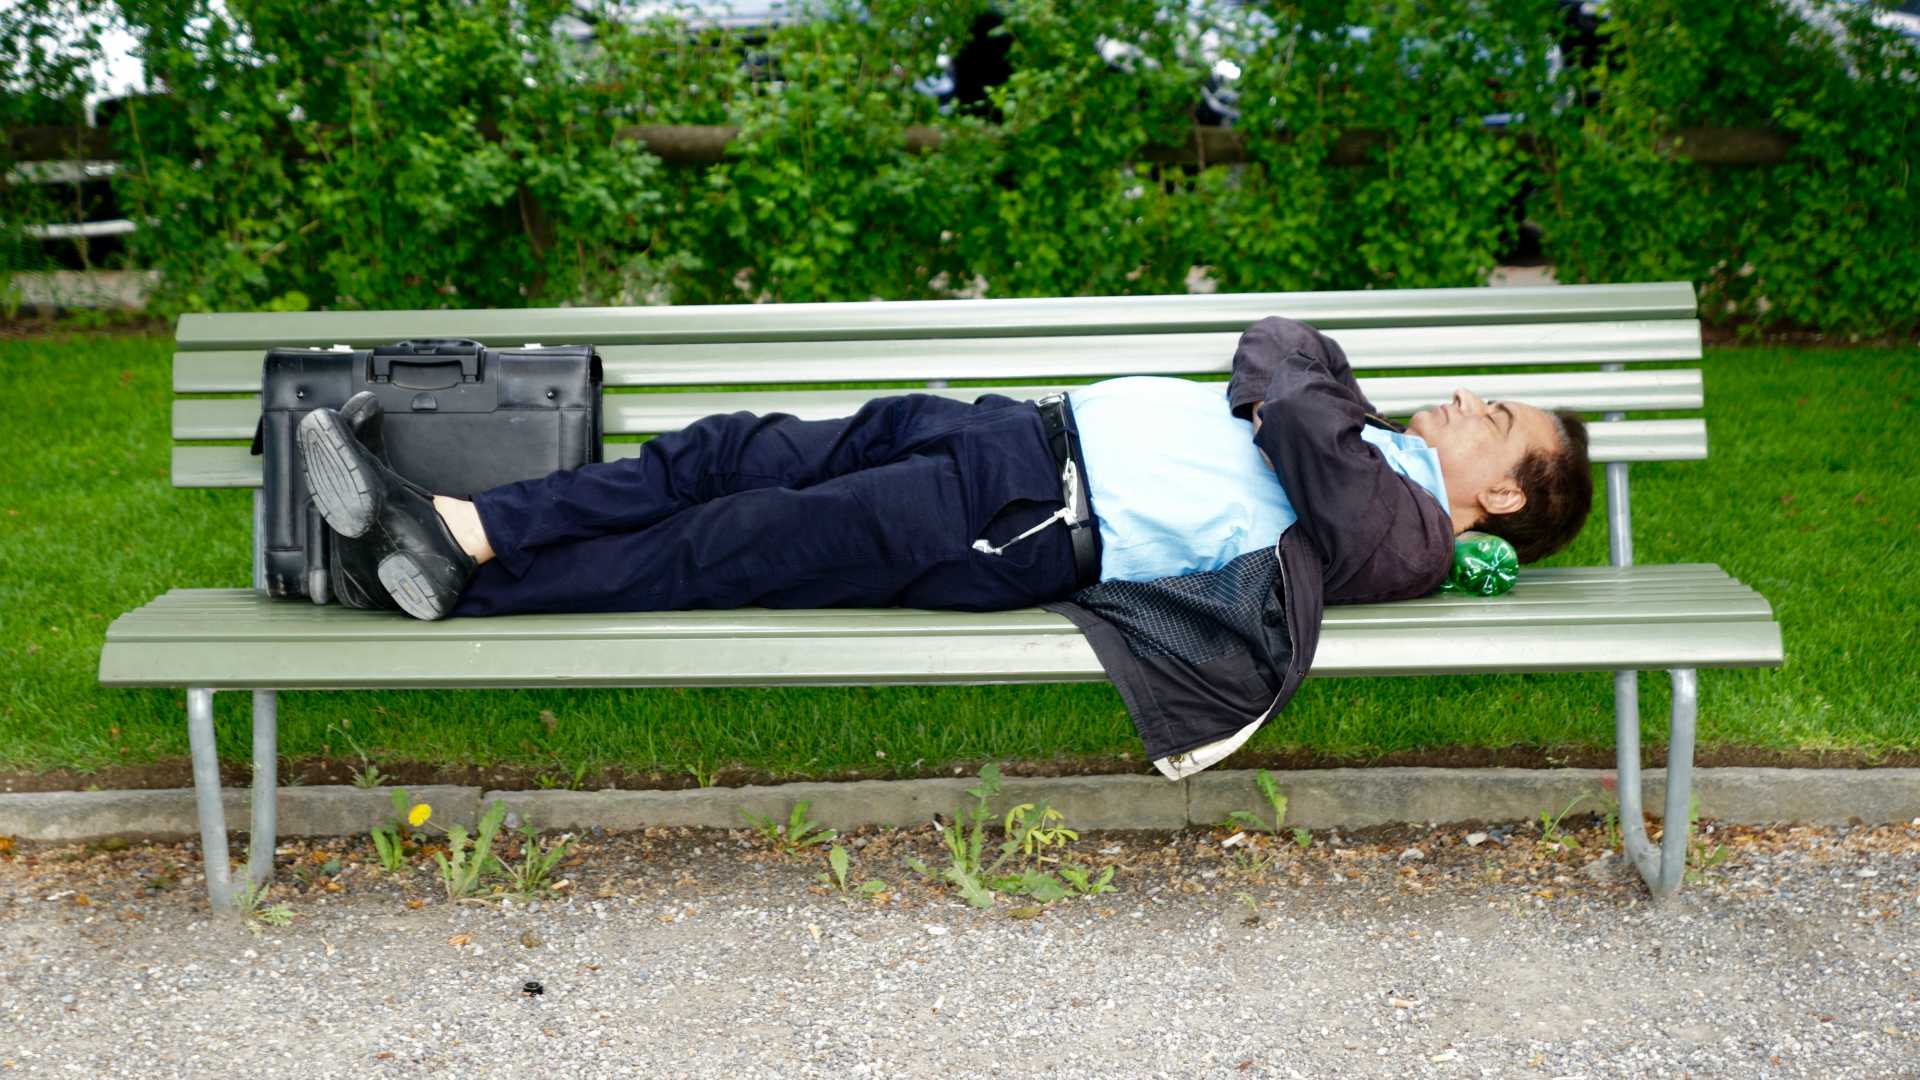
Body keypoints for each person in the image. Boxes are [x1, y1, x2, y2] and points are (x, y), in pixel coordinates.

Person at [298, 315, 1593, 778]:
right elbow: (1279, 344)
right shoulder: (1364, 444)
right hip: (1012, 434)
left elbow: (1294, 398)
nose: (1467, 400)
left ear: (1501, 498)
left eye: (1496, 420)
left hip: (1024, 520)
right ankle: (464, 529)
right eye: (1486, 397)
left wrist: (1298, 406)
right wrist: (1297, 401)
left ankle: (443, 584)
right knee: (729, 452)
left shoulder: (1408, 531)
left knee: (730, 543)